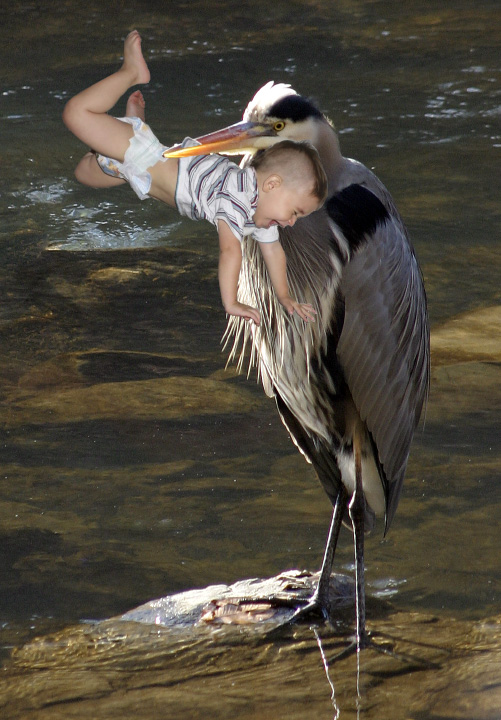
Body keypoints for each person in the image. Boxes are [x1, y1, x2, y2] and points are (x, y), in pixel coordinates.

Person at [63, 31, 328, 325]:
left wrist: (285, 297)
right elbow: (230, 250)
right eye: (294, 212)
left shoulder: (258, 214)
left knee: (83, 172)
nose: (292, 222)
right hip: (140, 155)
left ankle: (133, 122)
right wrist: (231, 302)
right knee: (76, 113)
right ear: (272, 184)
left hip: (135, 175)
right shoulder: (237, 195)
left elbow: (274, 252)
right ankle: (131, 72)